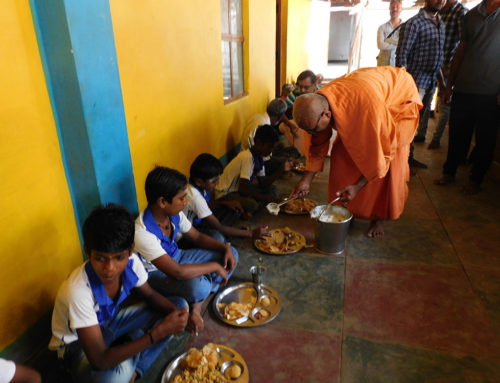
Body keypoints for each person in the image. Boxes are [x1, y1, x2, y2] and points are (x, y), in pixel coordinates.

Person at [49, 204, 189, 383]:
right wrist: (156, 334)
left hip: (108, 324)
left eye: (119, 258)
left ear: (130, 250)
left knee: (179, 306)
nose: (110, 269)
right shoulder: (77, 291)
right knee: (110, 379)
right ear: (87, 252)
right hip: (76, 348)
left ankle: (135, 368)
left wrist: (181, 316)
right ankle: (133, 346)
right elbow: (99, 360)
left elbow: (151, 295)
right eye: (100, 258)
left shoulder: (132, 263)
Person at [291, 67, 422, 237]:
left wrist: (358, 185)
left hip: (397, 100)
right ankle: (347, 211)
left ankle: (378, 218)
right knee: (341, 157)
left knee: (385, 165)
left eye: (314, 129)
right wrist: (306, 180)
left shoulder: (367, 110)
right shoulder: (319, 103)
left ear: (327, 115)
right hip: (365, 96)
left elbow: (380, 156)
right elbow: (317, 143)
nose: (314, 133)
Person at [134, 166, 238, 335]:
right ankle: (203, 294)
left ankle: (196, 306)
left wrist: (224, 247)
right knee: (199, 287)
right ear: (162, 202)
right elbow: (177, 272)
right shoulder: (142, 232)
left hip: (179, 256)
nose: (186, 202)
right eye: (181, 198)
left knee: (232, 255)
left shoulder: (173, 213)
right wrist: (214, 267)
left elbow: (197, 237)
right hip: (158, 274)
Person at [435, 0, 500, 194]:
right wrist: (448, 87)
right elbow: (460, 51)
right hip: (464, 87)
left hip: (491, 92)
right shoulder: (471, 15)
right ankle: (449, 172)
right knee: (457, 134)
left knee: (485, 140)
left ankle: (475, 180)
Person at [396, 0, 446, 168]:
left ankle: (408, 158)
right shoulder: (413, 24)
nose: (441, 1)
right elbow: (402, 56)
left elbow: (439, 58)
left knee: (416, 123)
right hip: (415, 83)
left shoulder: (441, 24)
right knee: (407, 123)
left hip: (431, 83)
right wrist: (404, 85)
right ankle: (402, 161)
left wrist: (442, 82)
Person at [183, 153, 269, 242]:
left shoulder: (202, 186)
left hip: (201, 220)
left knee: (234, 209)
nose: (217, 183)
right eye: (214, 181)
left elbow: (208, 206)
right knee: (218, 237)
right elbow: (219, 226)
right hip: (189, 232)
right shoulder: (195, 197)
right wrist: (252, 233)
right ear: (199, 182)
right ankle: (228, 234)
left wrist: (226, 203)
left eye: (218, 179)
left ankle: (229, 232)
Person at [216, 125, 294, 215]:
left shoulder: (259, 156)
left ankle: (255, 206)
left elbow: (263, 183)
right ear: (259, 143)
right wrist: (271, 199)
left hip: (239, 190)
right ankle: (250, 208)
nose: (271, 150)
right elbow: (243, 189)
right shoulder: (247, 157)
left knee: (273, 189)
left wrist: (281, 169)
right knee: (252, 204)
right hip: (226, 194)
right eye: (270, 147)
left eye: (273, 147)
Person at [428, 0, 468, 149]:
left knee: (445, 103)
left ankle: (436, 139)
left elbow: (462, 43)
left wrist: (450, 66)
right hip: (434, 63)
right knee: (427, 100)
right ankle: (421, 134)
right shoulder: (440, 10)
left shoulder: (461, 11)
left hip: (448, 66)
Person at [377, 0, 403, 66]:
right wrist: (399, 44)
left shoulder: (406, 27)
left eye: (397, 6)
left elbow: (405, 44)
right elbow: (381, 45)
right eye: (392, 7)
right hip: (383, 64)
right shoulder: (382, 27)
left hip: (398, 64)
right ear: (389, 8)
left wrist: (388, 40)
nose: (394, 9)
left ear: (401, 9)